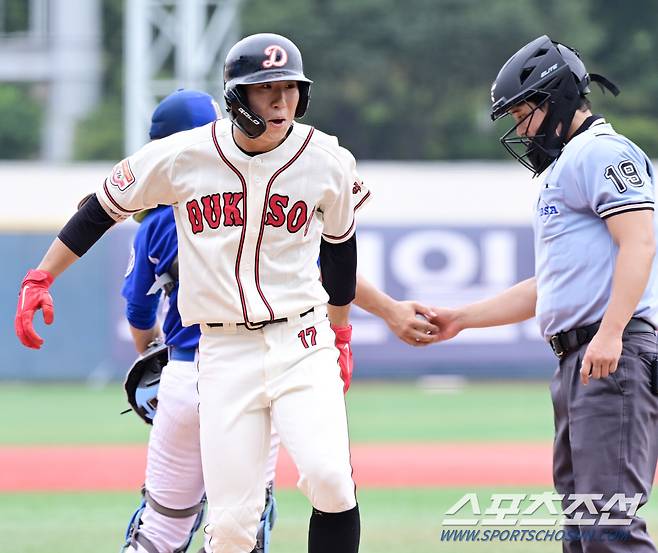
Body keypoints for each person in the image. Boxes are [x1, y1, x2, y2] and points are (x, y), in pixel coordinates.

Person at [15, 33, 370, 553]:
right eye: (265, 88)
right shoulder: (185, 155)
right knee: (229, 529)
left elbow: (340, 253)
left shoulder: (327, 160)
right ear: (235, 97)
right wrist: (41, 276)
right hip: (222, 352)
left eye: (290, 88)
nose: (280, 101)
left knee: (331, 479)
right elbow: (101, 207)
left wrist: (339, 334)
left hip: (302, 338)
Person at [429, 35, 658, 552]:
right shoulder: (568, 163)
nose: (519, 127)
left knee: (609, 528)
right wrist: (462, 318)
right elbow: (550, 286)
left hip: (609, 355)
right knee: (582, 534)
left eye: (523, 112)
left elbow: (640, 241)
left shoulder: (600, 151)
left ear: (554, 99)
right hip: (582, 358)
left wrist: (612, 331)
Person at [118, 89, 279, 553]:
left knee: (160, 530)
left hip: (185, 376)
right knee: (240, 532)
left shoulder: (155, 223)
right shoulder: (262, 198)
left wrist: (152, 352)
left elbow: (139, 315)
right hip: (252, 378)